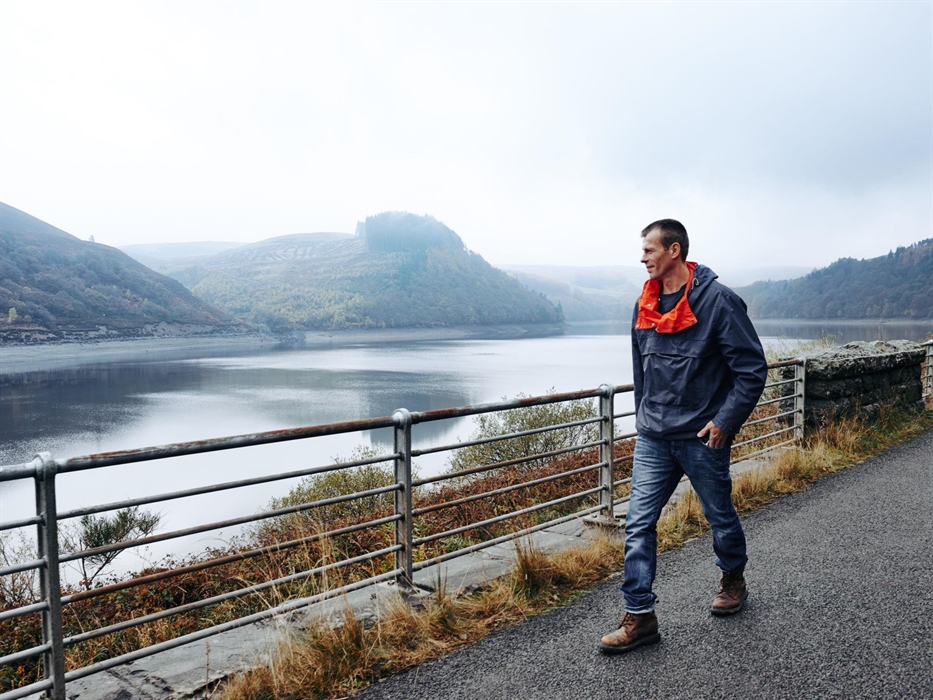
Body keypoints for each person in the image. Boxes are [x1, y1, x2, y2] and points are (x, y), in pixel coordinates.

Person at [599, 219, 768, 654]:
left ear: (674, 250)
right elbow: (641, 367)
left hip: (701, 436)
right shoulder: (645, 301)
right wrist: (643, 417)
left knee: (720, 516)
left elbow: (751, 371)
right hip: (655, 437)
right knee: (637, 524)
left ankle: (733, 577)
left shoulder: (718, 302)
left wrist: (725, 422)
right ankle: (640, 616)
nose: (643, 257)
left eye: (649, 249)